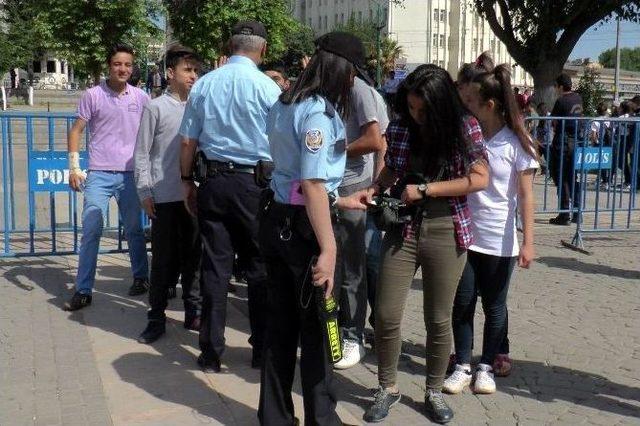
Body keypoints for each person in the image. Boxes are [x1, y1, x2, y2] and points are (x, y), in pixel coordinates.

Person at [363, 64, 489, 424]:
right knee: (385, 313)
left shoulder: (465, 127)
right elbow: (393, 169)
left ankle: (433, 390)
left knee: (438, 318)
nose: (416, 115)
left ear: (440, 105)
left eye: (423, 110)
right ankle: (387, 387)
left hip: (446, 226)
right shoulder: (402, 125)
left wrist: (427, 190)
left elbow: (479, 180)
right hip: (401, 225)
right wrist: (374, 189)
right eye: (412, 107)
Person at [258, 31, 369, 426]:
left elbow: (295, 182)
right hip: (305, 233)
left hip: (278, 220)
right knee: (320, 331)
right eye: (354, 72)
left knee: (281, 329)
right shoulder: (319, 114)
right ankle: (322, 419)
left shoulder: (285, 103)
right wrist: (329, 249)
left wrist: (341, 200)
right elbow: (312, 184)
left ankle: (274, 417)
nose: (354, 81)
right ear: (341, 69)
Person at [179, 20, 281, 373]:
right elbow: (281, 143)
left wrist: (186, 181)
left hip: (214, 183)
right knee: (258, 268)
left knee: (215, 267)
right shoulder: (269, 89)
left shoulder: (205, 84)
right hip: (256, 187)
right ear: (262, 50)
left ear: (230, 45)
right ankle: (262, 350)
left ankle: (210, 352)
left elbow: (188, 141)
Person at [444, 64, 538, 396]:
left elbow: (526, 196)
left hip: (500, 239)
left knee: (495, 307)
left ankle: (486, 367)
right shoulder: (469, 136)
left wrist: (528, 241)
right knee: (463, 302)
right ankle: (463, 366)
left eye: (471, 100)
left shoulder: (517, 142)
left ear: (490, 105)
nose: (465, 104)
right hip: (466, 235)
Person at [64, 44, 150, 311]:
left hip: (131, 174)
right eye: (117, 64)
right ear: (108, 66)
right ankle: (83, 290)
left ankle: (141, 278)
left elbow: (151, 134)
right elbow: (76, 130)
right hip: (99, 173)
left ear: (132, 67)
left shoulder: (141, 97)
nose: (123, 69)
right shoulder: (93, 95)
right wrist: (74, 167)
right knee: (91, 230)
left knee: (135, 230)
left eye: (127, 64)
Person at [134, 45, 203, 343]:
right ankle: (156, 317)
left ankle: (193, 312)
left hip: (193, 198)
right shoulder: (156, 107)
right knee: (163, 261)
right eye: (187, 70)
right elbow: (142, 153)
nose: (193, 76)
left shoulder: (200, 106)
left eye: (195, 71)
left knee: (194, 259)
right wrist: (145, 190)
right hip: (163, 195)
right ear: (170, 73)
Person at [334, 73, 386, 370]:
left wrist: (375, 188)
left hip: (357, 188)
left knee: (362, 265)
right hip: (332, 188)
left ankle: (358, 333)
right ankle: (347, 329)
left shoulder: (363, 92)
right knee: (345, 265)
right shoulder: (325, 92)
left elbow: (380, 144)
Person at [548, 73, 583, 225]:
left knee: (562, 177)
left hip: (562, 142)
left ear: (561, 86)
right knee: (572, 177)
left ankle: (564, 214)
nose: (556, 89)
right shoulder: (578, 98)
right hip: (575, 141)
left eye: (556, 86)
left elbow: (554, 122)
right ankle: (577, 213)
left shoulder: (561, 101)